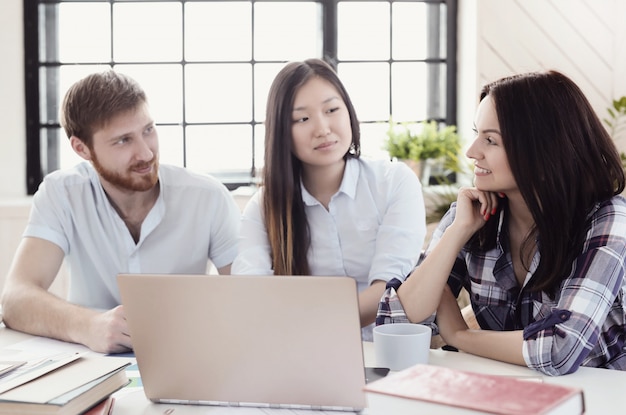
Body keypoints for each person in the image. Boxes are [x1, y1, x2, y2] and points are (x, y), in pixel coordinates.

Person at [376, 70, 626, 375]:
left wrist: (460, 336)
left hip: (602, 396)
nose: (471, 152)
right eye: (476, 134)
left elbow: (561, 350)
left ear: (543, 149)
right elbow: (396, 326)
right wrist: (457, 234)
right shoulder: (468, 215)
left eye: (491, 140)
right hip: (508, 391)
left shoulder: (607, 220)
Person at [0, 70, 241, 353]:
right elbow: (15, 299)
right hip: (92, 364)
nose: (146, 153)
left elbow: (253, 297)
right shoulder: (61, 193)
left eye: (148, 130)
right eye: (123, 140)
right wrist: (89, 326)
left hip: (188, 355)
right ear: (82, 148)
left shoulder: (208, 196)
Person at [232, 58, 427, 340]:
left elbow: (389, 289)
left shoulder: (394, 182)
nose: (322, 128)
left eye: (331, 109)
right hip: (300, 353)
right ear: (281, 132)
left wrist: (308, 325)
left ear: (348, 111)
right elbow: (252, 294)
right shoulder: (264, 207)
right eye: (302, 118)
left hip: (388, 348)